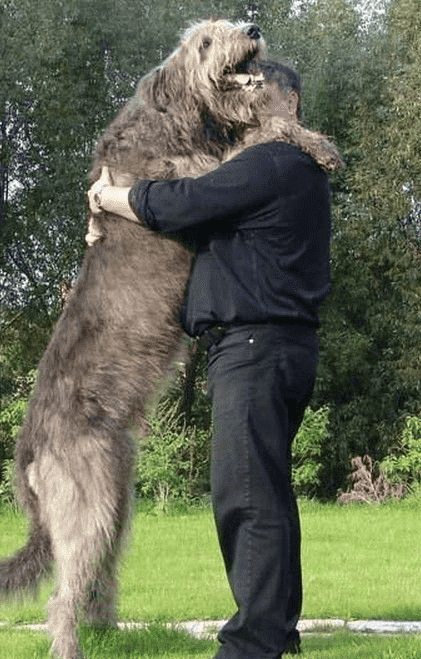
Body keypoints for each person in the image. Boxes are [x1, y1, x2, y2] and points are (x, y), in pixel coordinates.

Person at [87, 59, 332, 658]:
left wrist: (112, 196)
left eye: (256, 89)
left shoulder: (274, 160)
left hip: (255, 346)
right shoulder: (283, 169)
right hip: (268, 347)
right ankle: (278, 634)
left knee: (245, 496)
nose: (243, 100)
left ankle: (251, 645)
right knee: (265, 493)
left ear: (288, 104)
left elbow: (186, 203)